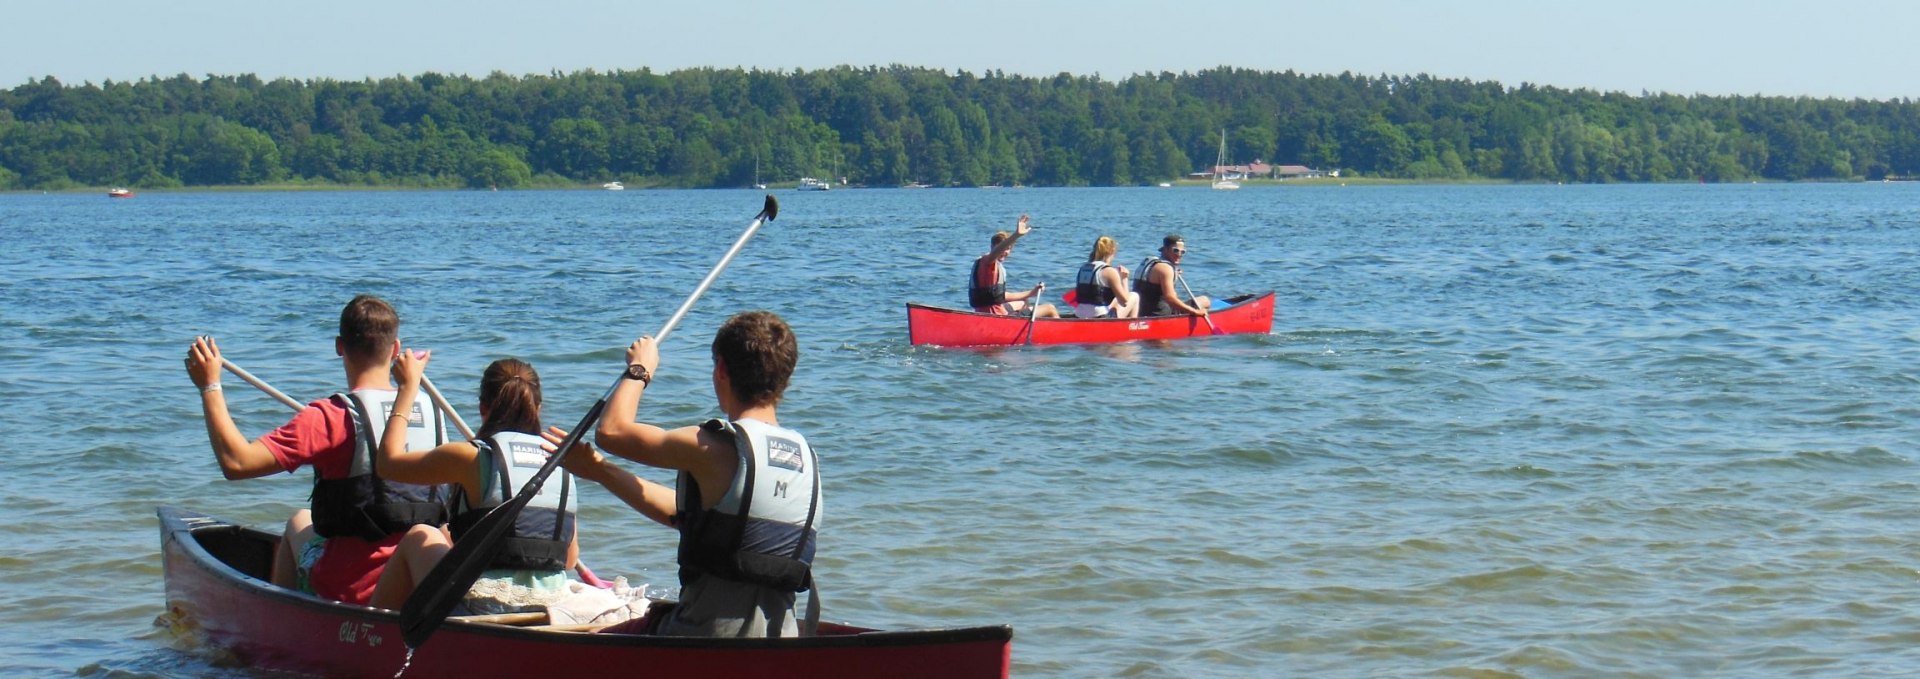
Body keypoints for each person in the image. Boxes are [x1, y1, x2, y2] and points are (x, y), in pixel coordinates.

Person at [183, 294, 453, 606]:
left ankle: (283, 624)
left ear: (340, 346)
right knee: (302, 518)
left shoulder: (331, 416)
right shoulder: (432, 412)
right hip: (415, 577)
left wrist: (210, 386)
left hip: (351, 587)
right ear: (395, 349)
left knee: (297, 522)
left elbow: (236, 463)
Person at [574, 310, 821, 638]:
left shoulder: (714, 445)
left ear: (721, 369)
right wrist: (600, 470)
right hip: (779, 642)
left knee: (595, 639)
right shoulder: (806, 457)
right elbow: (685, 516)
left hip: (700, 638)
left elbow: (612, 432)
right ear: (786, 377)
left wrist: (640, 369)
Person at [365, 354, 581, 613]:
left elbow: (387, 464)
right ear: (538, 408)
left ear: (482, 407)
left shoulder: (470, 456)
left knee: (419, 535)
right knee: (445, 533)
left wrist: (408, 388)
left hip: (487, 606)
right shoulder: (560, 461)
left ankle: (372, 638)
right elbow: (569, 560)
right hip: (551, 604)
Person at [969, 214, 1059, 318]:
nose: (1005, 252)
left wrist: (1032, 293)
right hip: (996, 318)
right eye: (1003, 248)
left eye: (1009, 249)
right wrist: (1016, 235)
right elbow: (994, 253)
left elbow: (1000, 296)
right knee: (1050, 308)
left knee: (1023, 302)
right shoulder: (987, 261)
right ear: (993, 247)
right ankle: (1062, 333)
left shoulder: (992, 265)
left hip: (987, 313)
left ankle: (1028, 330)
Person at [1133, 234, 1212, 318]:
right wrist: (1194, 311)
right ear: (1165, 250)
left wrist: (1173, 275)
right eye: (1175, 250)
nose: (1179, 254)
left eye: (1183, 252)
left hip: (1140, 312)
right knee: (1205, 300)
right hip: (1161, 315)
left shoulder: (1149, 262)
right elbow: (1170, 298)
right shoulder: (1166, 269)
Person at [1073, 235, 1139, 319]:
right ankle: (1131, 329)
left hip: (1080, 316)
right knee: (1134, 296)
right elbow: (1124, 302)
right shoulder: (1109, 271)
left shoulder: (1083, 269)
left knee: (1115, 299)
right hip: (1100, 317)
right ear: (1112, 251)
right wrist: (1124, 278)